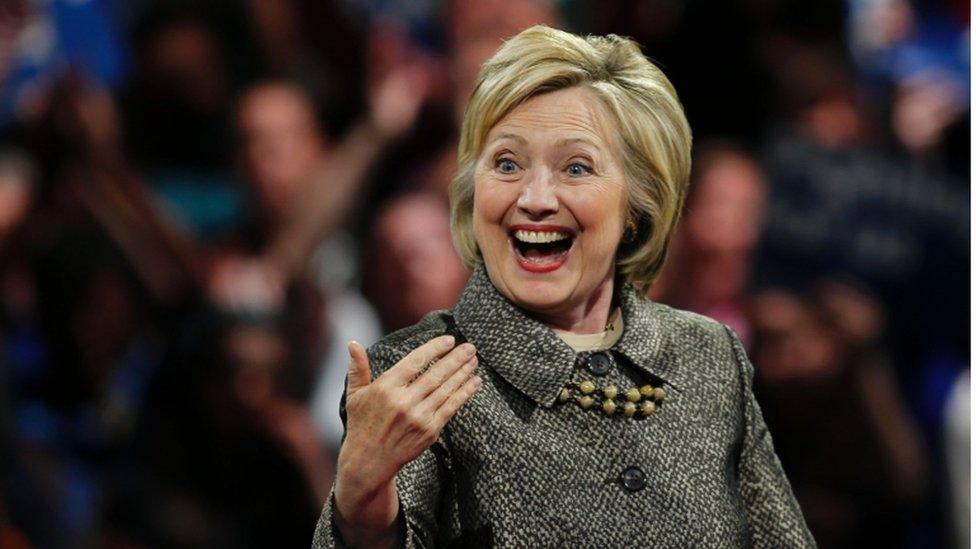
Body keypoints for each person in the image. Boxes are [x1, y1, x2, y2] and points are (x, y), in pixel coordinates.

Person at [314, 25, 815, 547]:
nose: (535, 198)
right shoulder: (420, 372)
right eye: (506, 164)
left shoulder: (709, 356)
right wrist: (361, 507)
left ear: (637, 205)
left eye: (575, 167)